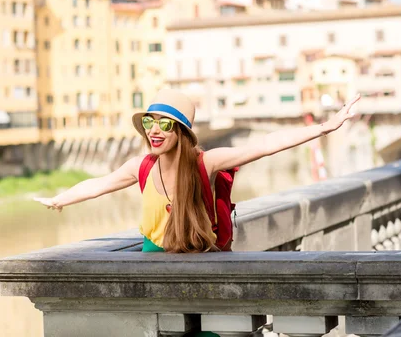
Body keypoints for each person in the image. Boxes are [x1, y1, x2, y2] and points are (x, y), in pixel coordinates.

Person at [34, 89, 360, 253]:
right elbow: (99, 184)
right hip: (154, 267)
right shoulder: (141, 168)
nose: (155, 131)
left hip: (204, 266)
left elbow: (266, 144)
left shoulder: (207, 163)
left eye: (165, 125)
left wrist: (325, 127)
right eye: (150, 123)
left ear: (181, 133)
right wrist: (59, 199)